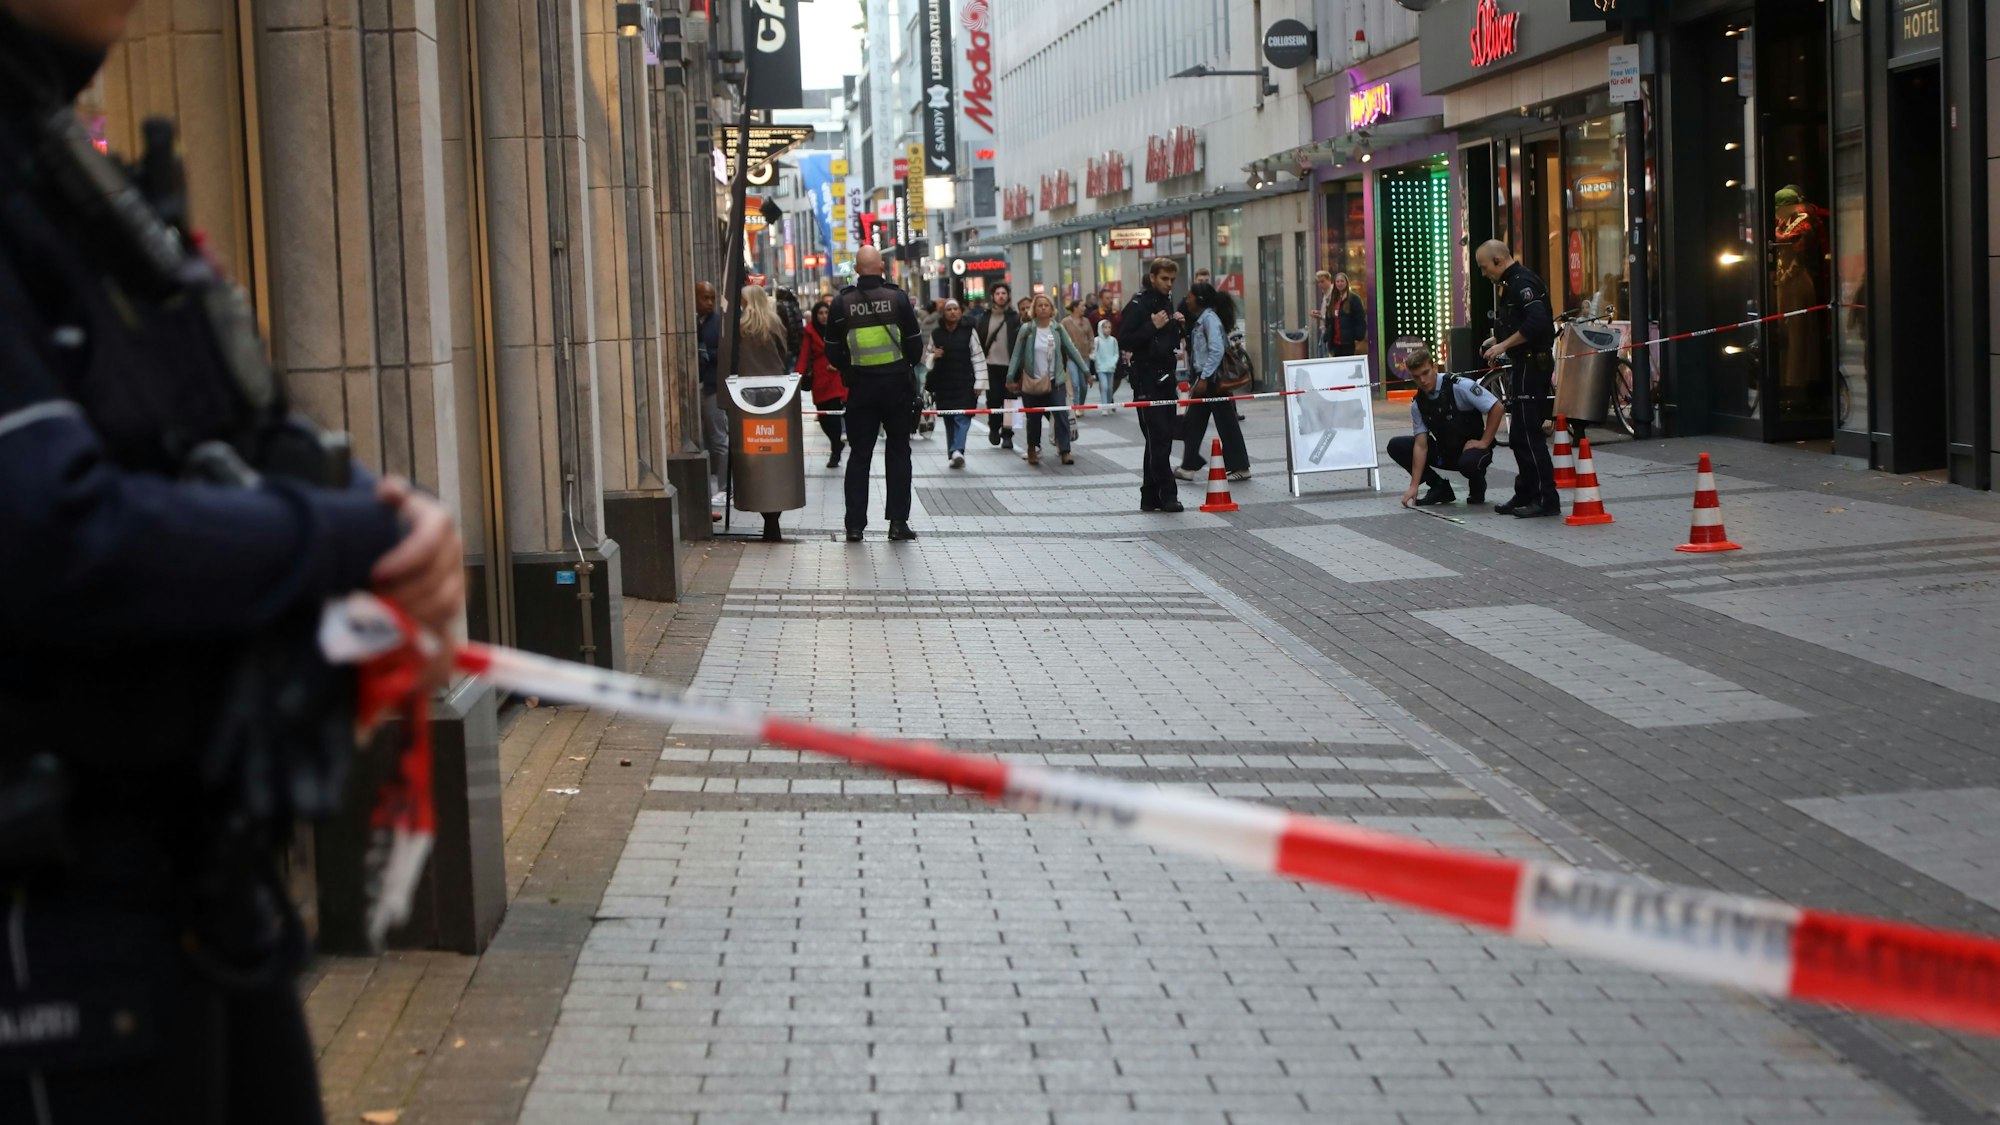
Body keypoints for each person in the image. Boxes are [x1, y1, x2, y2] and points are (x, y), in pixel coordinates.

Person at [0, 3, 466, 1117]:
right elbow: (46, 527)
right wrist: (347, 543)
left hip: (189, 892)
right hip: (53, 927)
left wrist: (370, 518)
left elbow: (195, 427)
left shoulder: (51, 152)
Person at [825, 245, 924, 541]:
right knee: (898, 453)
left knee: (859, 456)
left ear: (856, 270)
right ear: (882, 267)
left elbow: (832, 350)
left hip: (860, 389)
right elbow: (915, 345)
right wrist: (903, 365)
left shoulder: (842, 303)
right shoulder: (898, 298)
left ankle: (854, 526)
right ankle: (898, 523)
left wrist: (848, 367)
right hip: (896, 387)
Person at [1477, 240, 1560, 517]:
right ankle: (1525, 492)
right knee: (1518, 435)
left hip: (1532, 366)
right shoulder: (1510, 283)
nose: (1483, 273)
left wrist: (1503, 345)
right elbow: (1520, 323)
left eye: (1484, 267)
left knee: (1528, 433)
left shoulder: (1522, 283)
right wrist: (1496, 340)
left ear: (1498, 260)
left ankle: (1546, 499)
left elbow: (1537, 323)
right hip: (1523, 365)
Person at [1389, 348, 1503, 508]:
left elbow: (1497, 408)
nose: (1423, 380)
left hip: (1472, 450)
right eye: (1416, 377)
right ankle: (1439, 487)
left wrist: (1484, 442)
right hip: (1445, 452)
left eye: (1426, 373)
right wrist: (1414, 486)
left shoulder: (1460, 386)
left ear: (1435, 367)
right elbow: (1421, 445)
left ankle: (1477, 483)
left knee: (1469, 463)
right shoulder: (1418, 404)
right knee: (1396, 445)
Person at [1117, 257, 1187, 512]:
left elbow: (1167, 342)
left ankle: (1149, 495)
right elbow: (1125, 339)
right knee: (1158, 438)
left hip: (1166, 378)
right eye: (1164, 279)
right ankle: (1168, 494)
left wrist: (1179, 327)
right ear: (1153, 277)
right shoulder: (1138, 304)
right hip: (1147, 381)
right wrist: (1152, 326)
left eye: (1172, 280)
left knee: (1160, 439)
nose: (1169, 284)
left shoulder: (1165, 302)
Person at [1174, 282, 1251, 482]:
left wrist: (1204, 378)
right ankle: (1188, 465)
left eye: (1190, 296)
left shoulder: (1209, 320)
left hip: (1213, 381)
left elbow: (1216, 350)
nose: (1187, 300)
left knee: (1226, 423)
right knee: (1194, 422)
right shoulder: (1201, 320)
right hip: (1205, 380)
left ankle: (1240, 466)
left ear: (1199, 300)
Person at [1006, 293, 1086, 466]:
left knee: (1061, 415)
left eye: (1046, 305)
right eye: (1040, 305)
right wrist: (1010, 376)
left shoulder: (1057, 329)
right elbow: (1017, 354)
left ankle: (1065, 450)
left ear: (1051, 309)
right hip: (1033, 382)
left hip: (1055, 381)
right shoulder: (1027, 329)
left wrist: (1085, 371)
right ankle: (1032, 448)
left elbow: (1071, 350)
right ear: (1034, 309)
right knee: (1033, 419)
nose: (1043, 308)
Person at [1773, 185, 1826, 410]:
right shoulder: (1785, 224)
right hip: (1785, 283)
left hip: (1795, 283)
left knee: (1798, 336)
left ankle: (1797, 386)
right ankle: (1788, 384)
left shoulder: (1802, 224)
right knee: (1787, 334)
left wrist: (1785, 277)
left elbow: (1799, 255)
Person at [926, 298, 986, 469]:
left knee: (963, 417)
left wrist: (980, 383)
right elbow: (928, 357)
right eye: (949, 309)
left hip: (965, 382)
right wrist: (934, 356)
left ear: (961, 311)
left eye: (955, 309)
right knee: (949, 419)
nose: (953, 312)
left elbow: (978, 357)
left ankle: (958, 450)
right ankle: (953, 453)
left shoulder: (969, 332)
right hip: (943, 384)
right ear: (943, 313)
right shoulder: (936, 334)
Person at [797, 299, 848, 468]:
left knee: (834, 414)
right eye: (820, 313)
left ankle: (835, 451)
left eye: (826, 313)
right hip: (820, 378)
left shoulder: (837, 328)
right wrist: (797, 375)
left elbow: (846, 348)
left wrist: (841, 364)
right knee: (824, 417)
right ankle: (836, 443)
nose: (824, 316)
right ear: (815, 315)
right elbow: (804, 354)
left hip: (836, 376)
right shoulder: (810, 331)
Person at [971, 283, 1021, 450]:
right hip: (990, 366)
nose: (1001, 296)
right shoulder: (984, 317)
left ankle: (1007, 434)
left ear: (1008, 296)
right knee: (993, 400)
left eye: (1004, 293)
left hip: (1010, 367)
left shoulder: (1014, 318)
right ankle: (993, 427)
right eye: (998, 293)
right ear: (992, 296)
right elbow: (978, 341)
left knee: (1010, 402)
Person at [696, 280, 728, 507]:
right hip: (701, 386)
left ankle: (725, 488)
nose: (709, 302)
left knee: (719, 439)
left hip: (713, 387)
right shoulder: (697, 322)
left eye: (712, 298)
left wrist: (706, 353)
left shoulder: (717, 324)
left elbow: (724, 353)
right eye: (704, 298)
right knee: (709, 439)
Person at [736, 283, 792, 377]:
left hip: (746, 376)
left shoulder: (741, 324)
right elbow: (782, 349)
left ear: (746, 301)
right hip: (774, 375)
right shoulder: (775, 321)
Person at [1060, 298, 1095, 432]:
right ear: (1075, 307)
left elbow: (1091, 336)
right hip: (1071, 357)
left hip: (1084, 355)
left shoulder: (1086, 321)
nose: (1084, 308)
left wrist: (1091, 345)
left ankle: (1081, 405)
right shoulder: (1065, 322)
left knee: (1083, 384)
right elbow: (1061, 336)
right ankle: (1076, 407)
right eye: (1082, 306)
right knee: (1074, 383)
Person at [1324, 271, 1367, 358]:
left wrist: (1358, 337)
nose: (1340, 283)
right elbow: (1329, 321)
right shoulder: (1333, 300)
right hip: (1335, 343)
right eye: (1337, 281)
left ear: (1346, 283)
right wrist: (1327, 337)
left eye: (1342, 281)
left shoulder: (1354, 299)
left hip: (1349, 343)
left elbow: (1360, 319)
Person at [1092, 318, 1121, 410]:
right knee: (1104, 386)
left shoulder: (1113, 340)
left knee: (1109, 388)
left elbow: (1116, 353)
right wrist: (1096, 360)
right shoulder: (1097, 340)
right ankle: (1104, 406)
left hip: (1111, 367)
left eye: (1109, 327)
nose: (1108, 329)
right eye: (1105, 327)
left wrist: (1113, 362)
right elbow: (1094, 352)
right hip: (1100, 367)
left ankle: (1109, 403)